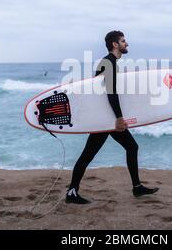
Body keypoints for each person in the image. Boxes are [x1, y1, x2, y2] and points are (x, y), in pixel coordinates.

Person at [65, 31, 159, 204]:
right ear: (115, 44)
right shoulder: (109, 63)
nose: (127, 44)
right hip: (106, 119)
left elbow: (99, 92)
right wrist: (118, 118)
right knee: (89, 155)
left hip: (105, 117)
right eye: (123, 41)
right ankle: (72, 192)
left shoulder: (109, 62)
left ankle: (137, 187)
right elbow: (110, 92)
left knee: (131, 147)